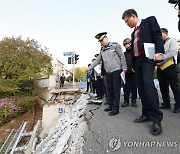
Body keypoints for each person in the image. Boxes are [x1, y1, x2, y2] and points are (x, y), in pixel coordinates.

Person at [122, 9, 164, 135]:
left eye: (127, 21)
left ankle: (156, 118)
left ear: (133, 16)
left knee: (147, 84)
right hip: (138, 62)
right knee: (141, 87)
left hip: (147, 59)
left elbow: (157, 35)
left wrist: (159, 52)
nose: (126, 23)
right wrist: (134, 65)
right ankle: (146, 114)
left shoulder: (149, 21)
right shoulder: (133, 33)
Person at [86, 32, 127, 116]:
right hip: (108, 72)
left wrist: (124, 68)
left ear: (106, 38)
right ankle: (111, 105)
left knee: (116, 89)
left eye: (102, 40)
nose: (101, 42)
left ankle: (116, 108)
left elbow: (122, 56)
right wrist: (89, 68)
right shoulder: (102, 50)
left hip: (117, 70)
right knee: (109, 89)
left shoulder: (115, 45)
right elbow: (97, 60)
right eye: (100, 41)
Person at [156, 28, 180, 113]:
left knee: (174, 86)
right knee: (163, 86)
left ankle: (178, 104)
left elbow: (172, 53)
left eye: (161, 33)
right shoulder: (158, 43)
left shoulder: (172, 41)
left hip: (170, 66)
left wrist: (161, 60)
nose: (159, 35)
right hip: (160, 68)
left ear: (166, 33)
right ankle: (166, 103)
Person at [121, 38, 137, 108]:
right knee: (126, 87)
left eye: (128, 44)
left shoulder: (135, 53)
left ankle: (134, 100)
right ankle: (126, 101)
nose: (127, 46)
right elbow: (122, 63)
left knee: (134, 87)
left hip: (134, 72)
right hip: (126, 73)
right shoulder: (123, 54)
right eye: (125, 45)